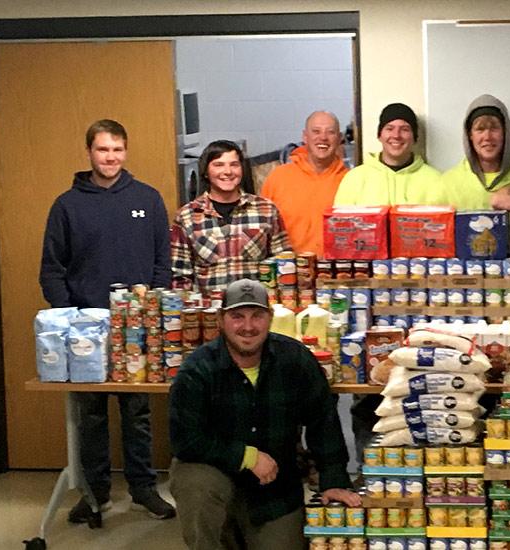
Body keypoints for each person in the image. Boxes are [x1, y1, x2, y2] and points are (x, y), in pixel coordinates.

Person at [39, 119, 176, 522]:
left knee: (138, 413)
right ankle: (94, 493)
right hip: (85, 332)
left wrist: (150, 307)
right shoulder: (67, 205)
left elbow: (161, 264)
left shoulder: (148, 199)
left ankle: (143, 489)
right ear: (89, 153)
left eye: (117, 149)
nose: (110, 157)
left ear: (126, 151)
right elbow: (52, 269)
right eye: (102, 150)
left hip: (136, 328)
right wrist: (70, 317)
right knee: (91, 416)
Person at [169, 279, 360, 549]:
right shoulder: (197, 369)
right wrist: (246, 456)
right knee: (195, 483)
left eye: (257, 316)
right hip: (217, 475)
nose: (248, 327)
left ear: (269, 318)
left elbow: (322, 420)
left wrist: (334, 480)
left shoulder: (295, 359)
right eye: (237, 316)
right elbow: (185, 441)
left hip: (275, 488)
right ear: (221, 320)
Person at [171, 140, 292, 294]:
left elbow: (285, 266)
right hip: (210, 313)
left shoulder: (266, 210)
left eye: (234, 164)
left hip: (256, 310)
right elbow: (180, 279)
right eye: (218, 165)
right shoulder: (187, 216)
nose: (227, 171)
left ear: (242, 169)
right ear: (206, 172)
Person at [260, 111, 349, 256]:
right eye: (316, 131)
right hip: (287, 270)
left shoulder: (351, 181)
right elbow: (263, 230)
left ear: (339, 138)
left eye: (330, 132)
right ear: (305, 136)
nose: (323, 137)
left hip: (336, 272)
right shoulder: (278, 178)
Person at [438, 94, 510, 210]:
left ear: (505, 132)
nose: (487, 136)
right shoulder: (448, 184)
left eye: (494, 128)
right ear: (470, 135)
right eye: (480, 129)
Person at [334, 102, 444, 206]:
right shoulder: (354, 178)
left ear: (414, 138)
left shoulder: (435, 180)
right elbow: (340, 224)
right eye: (389, 128)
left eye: (404, 129)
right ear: (380, 135)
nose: (396, 135)